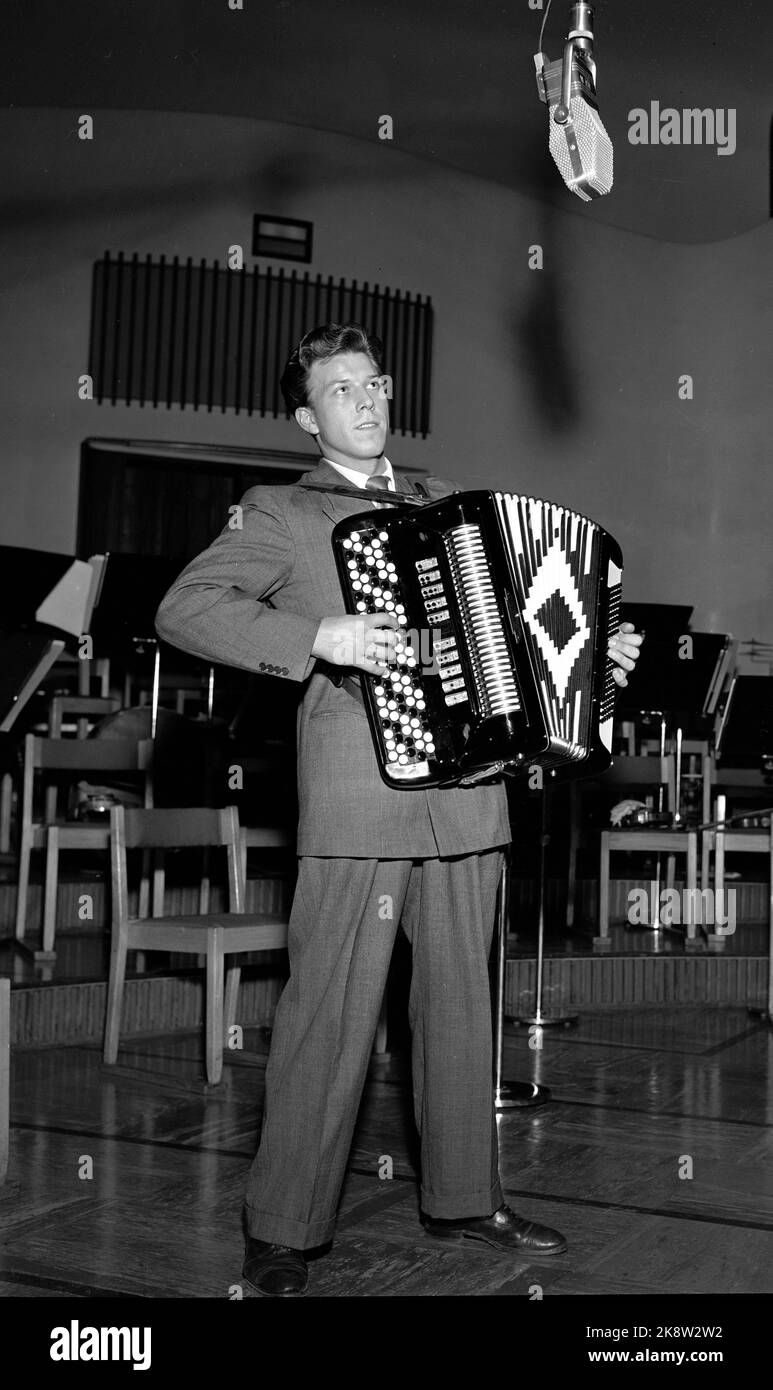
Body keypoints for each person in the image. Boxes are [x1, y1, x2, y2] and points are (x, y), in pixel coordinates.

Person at [155, 322, 642, 1296]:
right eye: (342, 390)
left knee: (462, 1008)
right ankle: (283, 1230)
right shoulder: (281, 511)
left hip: (468, 801)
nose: (367, 401)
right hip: (359, 798)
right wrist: (318, 633)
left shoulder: (448, 506)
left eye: (373, 383)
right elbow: (183, 609)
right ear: (306, 417)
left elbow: (529, 632)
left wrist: (591, 665)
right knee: (326, 1017)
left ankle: (464, 1199)